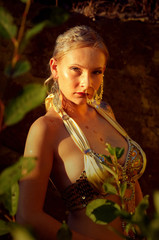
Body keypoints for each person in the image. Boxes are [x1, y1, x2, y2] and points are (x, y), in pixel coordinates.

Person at [16, 25, 147, 240]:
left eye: (96, 72)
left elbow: (130, 183)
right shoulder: (45, 129)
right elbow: (26, 216)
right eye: (76, 69)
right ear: (55, 68)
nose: (87, 83)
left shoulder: (105, 112)